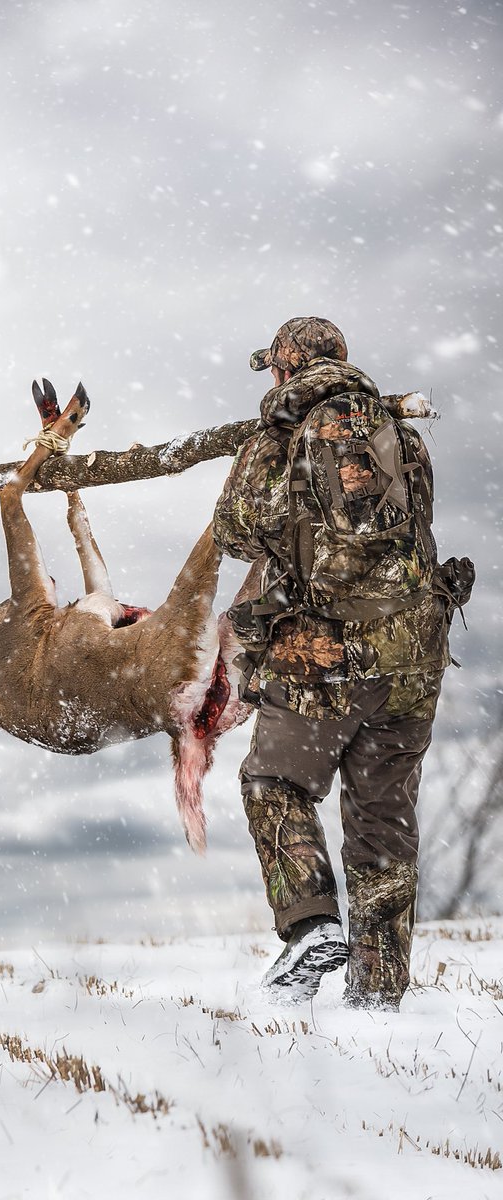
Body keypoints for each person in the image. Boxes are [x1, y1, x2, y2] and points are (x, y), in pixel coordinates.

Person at [213, 317, 461, 1010]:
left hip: (325, 654)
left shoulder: (281, 435)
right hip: (414, 658)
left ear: (283, 370)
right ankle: (379, 994)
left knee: (273, 783)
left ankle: (310, 926)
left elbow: (234, 531)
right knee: (383, 821)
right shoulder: (399, 432)